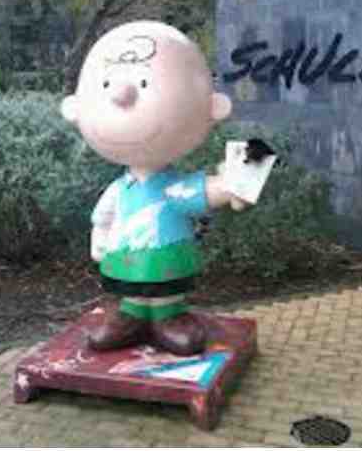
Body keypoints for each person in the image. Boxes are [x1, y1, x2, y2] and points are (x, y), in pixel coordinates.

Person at [61, 21, 248, 356]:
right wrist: (99, 236)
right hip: (125, 258)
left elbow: (206, 192)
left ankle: (168, 316)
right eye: (107, 85)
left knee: (166, 291)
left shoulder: (173, 188)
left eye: (144, 84)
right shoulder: (120, 189)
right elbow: (102, 217)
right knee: (129, 292)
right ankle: (131, 315)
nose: (121, 94)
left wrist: (236, 181)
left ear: (211, 107)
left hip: (168, 258)